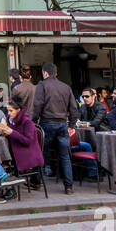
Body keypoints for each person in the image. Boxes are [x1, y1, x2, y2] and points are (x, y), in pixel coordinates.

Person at [31, 62, 76, 197]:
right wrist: (72, 125)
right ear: (56, 73)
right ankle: (69, 187)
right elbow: (74, 108)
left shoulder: (42, 85)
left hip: (47, 122)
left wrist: (33, 121)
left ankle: (37, 182)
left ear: (45, 73)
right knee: (65, 156)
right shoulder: (66, 87)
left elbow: (38, 104)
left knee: (40, 152)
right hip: (62, 123)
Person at [0, 99, 45, 185]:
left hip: (26, 151)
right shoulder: (9, 119)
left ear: (18, 110)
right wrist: (3, 132)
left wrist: (11, 132)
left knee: (0, 157)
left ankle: (8, 180)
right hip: (14, 148)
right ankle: (5, 180)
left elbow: (28, 141)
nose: (8, 113)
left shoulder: (27, 121)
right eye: (8, 110)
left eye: (11, 111)